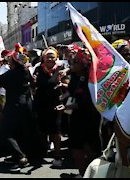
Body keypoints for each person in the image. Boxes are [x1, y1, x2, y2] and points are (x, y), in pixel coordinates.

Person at [0, 43, 43, 171]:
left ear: (14, 61)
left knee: (6, 131)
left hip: (14, 105)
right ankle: (18, 155)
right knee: (21, 131)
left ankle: (20, 157)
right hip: (26, 104)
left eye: (9, 59)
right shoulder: (25, 71)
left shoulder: (11, 74)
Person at [55, 45, 101, 176]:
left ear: (84, 63)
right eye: (71, 61)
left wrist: (67, 107)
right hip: (76, 119)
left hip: (89, 118)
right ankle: (82, 173)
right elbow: (72, 92)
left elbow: (86, 102)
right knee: (76, 149)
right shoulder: (74, 76)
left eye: (75, 62)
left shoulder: (91, 78)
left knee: (90, 149)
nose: (71, 64)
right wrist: (64, 97)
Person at [34, 47, 66, 168]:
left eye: (52, 56)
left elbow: (68, 84)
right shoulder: (38, 69)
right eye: (48, 56)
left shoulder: (61, 70)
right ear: (43, 58)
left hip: (55, 104)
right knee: (42, 129)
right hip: (40, 104)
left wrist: (62, 84)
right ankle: (44, 150)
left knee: (56, 130)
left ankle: (57, 155)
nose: (50, 58)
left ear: (56, 58)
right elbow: (34, 84)